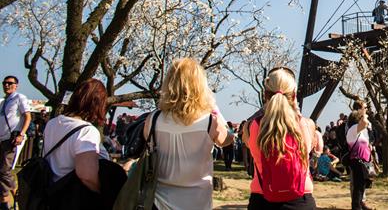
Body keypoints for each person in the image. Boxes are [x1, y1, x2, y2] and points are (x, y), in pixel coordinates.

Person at [144, 58, 234, 210]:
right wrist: (216, 111)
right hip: (197, 201)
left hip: (159, 200)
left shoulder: (153, 119)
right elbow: (227, 140)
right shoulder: (209, 121)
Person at [42, 78, 126, 209]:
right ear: (97, 104)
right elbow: (86, 174)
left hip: (53, 193)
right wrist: (105, 193)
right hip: (75, 198)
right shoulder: (86, 131)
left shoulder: (52, 123)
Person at [247, 67, 321, 209]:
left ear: (265, 95)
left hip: (262, 199)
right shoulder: (307, 125)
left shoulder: (254, 126)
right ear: (294, 96)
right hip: (300, 199)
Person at [0, 75, 31, 209]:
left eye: (10, 83)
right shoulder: (3, 102)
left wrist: (21, 134)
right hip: (1, 138)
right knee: (1, 171)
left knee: (4, 170)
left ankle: (11, 196)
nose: (6, 85)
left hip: (11, 139)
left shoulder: (19, 98)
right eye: (4, 83)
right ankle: (7, 198)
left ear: (16, 85)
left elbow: (27, 116)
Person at [347, 106, 373, 210]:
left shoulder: (359, 130)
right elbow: (365, 122)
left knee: (362, 185)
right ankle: (356, 207)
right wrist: (364, 113)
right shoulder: (354, 128)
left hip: (363, 161)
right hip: (357, 160)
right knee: (358, 185)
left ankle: (358, 205)